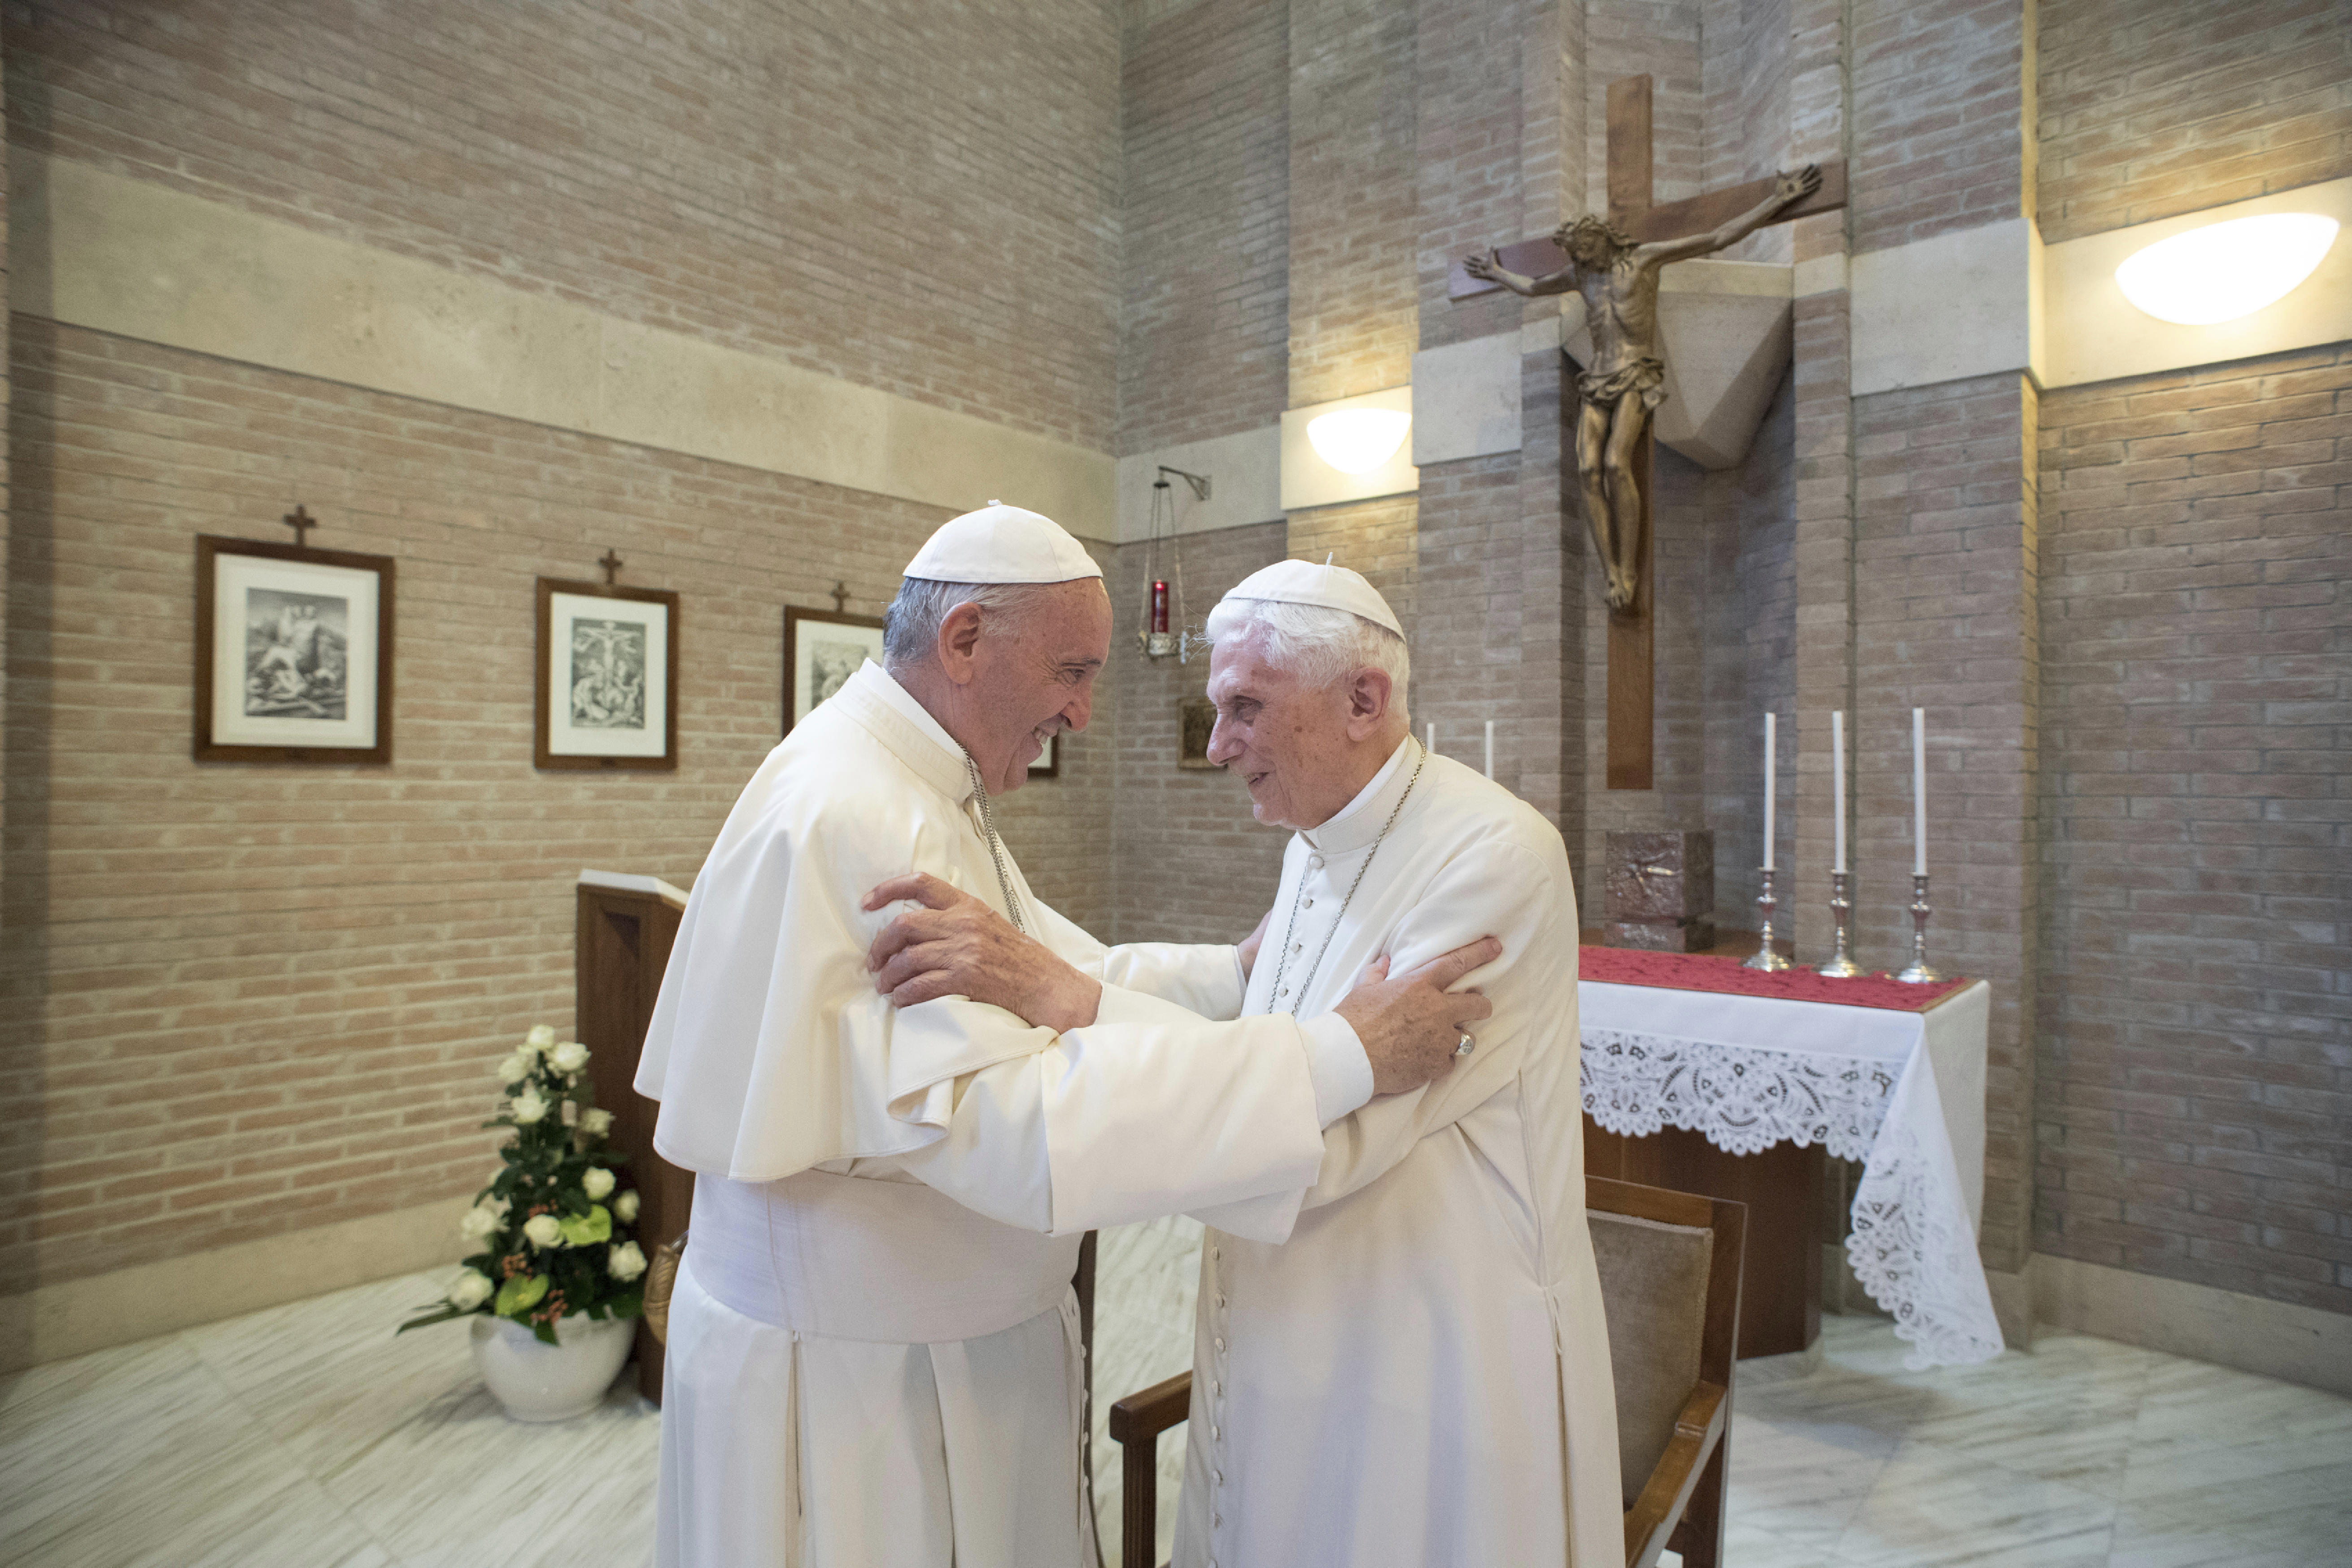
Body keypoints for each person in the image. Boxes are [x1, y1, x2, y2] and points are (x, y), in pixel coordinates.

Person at [634, 505, 1497, 1568]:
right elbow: (1015, 1129)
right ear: (963, 643)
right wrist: (1341, 1056)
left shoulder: (900, 778)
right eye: (1072, 671)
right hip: (867, 1383)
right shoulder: (864, 813)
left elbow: (1041, 970)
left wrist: (1226, 977)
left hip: (914, 1343)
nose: (1084, 713)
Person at [872, 559, 1620, 1568]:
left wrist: (1070, 1000)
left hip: (1431, 1343)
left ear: (1364, 699)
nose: (1220, 746)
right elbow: (1273, 1018)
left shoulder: (1491, 856)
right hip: (1292, 1319)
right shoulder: (1317, 834)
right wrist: (1069, 978)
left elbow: (1332, 1135)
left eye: (1245, 709)